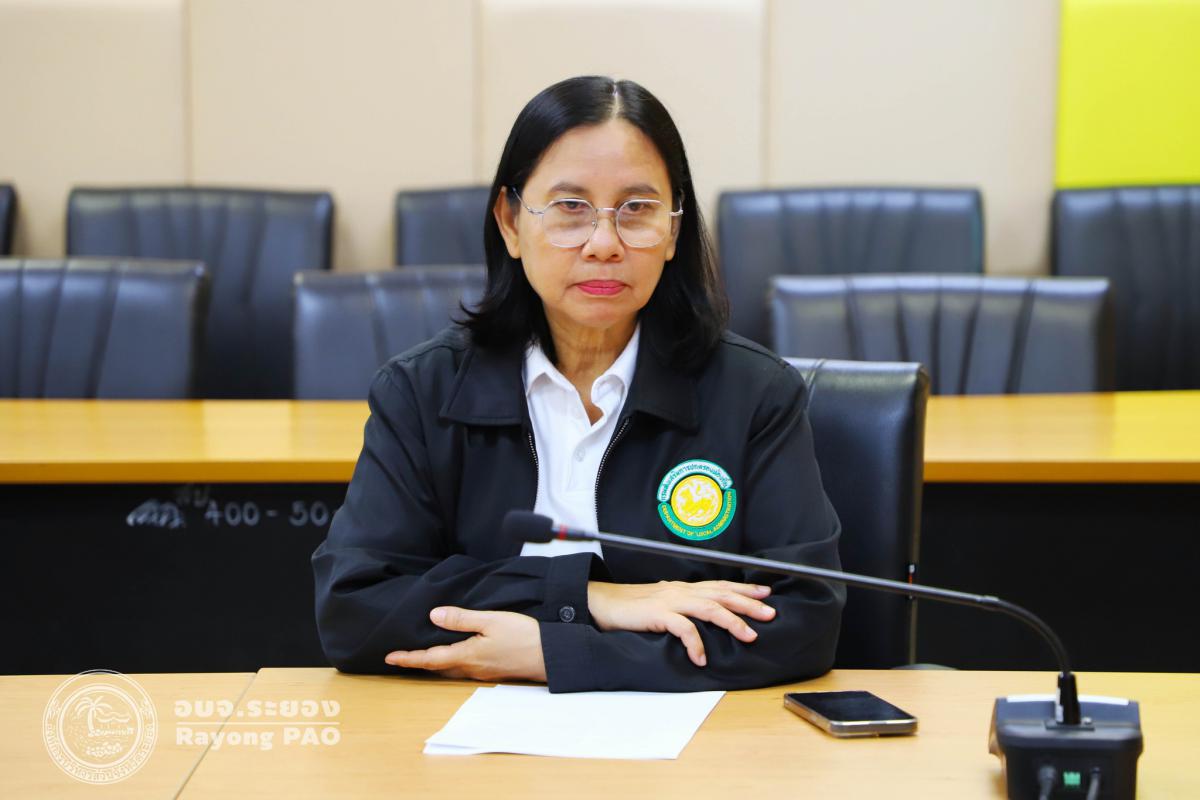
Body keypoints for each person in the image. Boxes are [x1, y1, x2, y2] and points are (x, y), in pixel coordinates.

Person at [312, 76, 844, 693]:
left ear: (673, 230)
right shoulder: (422, 392)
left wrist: (557, 653)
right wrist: (591, 597)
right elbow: (355, 607)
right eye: (570, 208)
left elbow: (804, 620)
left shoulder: (754, 395)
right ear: (510, 222)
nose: (603, 244)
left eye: (637, 210)